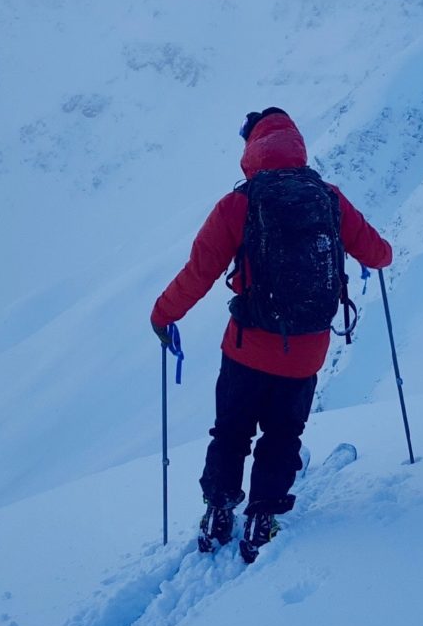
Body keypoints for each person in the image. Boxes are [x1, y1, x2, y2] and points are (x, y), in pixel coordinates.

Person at [150, 107, 392, 561]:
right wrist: (375, 255)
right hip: (306, 352)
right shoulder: (330, 199)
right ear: (296, 146)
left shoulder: (238, 205)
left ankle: (218, 511)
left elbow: (199, 272)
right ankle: (264, 516)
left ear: (252, 148)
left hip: (245, 348)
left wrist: (162, 314)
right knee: (283, 434)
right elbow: (379, 253)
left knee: (231, 432)